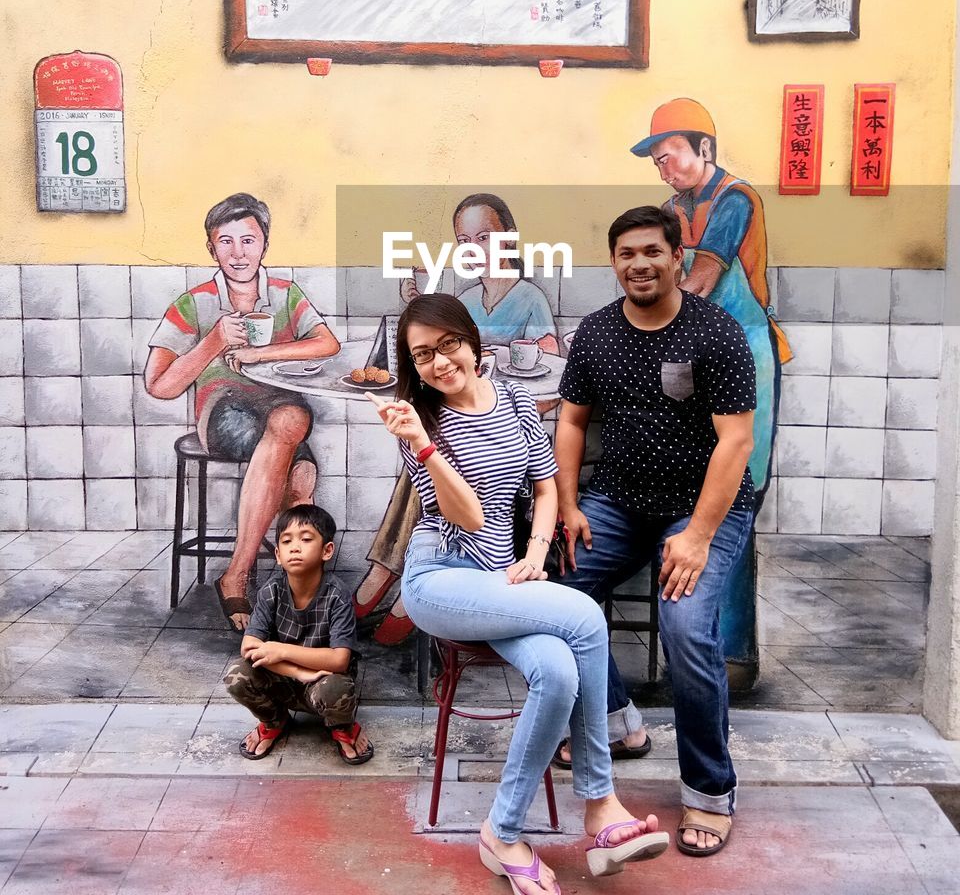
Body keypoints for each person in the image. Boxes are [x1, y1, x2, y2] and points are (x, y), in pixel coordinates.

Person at [368, 293, 668, 891]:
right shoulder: (419, 424)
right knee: (583, 614)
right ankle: (601, 804)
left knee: (558, 671)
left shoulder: (515, 401)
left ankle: (501, 832)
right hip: (442, 578)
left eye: (447, 344)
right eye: (422, 355)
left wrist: (535, 556)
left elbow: (548, 486)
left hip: (503, 576)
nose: (439, 362)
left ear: (471, 341)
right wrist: (424, 448)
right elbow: (472, 516)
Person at [556, 206, 756, 858]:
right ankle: (617, 724)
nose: (638, 264)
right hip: (618, 500)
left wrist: (697, 534)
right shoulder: (596, 334)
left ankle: (709, 792)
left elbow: (736, 442)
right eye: (625, 254)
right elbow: (572, 422)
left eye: (651, 251)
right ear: (613, 263)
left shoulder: (715, 334)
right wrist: (569, 504)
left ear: (676, 257)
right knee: (559, 593)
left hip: (704, 507)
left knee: (688, 628)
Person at [630, 99, 791, 678]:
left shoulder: (736, 200)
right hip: (691, 356)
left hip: (745, 355)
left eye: (668, 154)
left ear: (703, 148)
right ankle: (694, 651)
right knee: (692, 493)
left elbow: (699, 280)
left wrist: (637, 331)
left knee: (735, 499)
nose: (663, 167)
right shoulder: (672, 209)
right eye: (655, 160)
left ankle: (733, 655)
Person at [355, 192, 559, 645]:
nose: (475, 248)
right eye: (465, 240)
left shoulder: (530, 298)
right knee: (428, 451)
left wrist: (492, 401)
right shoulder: (463, 297)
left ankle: (388, 577)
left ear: (509, 238)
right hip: (462, 438)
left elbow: (548, 381)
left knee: (430, 458)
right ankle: (400, 579)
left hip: (508, 445)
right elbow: (439, 371)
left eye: (484, 236)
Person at [145, 193, 341, 632]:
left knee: (291, 419)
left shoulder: (285, 294)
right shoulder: (193, 303)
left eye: (248, 240)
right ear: (211, 248)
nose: (238, 253)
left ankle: (249, 576)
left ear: (265, 244)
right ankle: (284, 585)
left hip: (278, 400)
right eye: (226, 241)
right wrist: (214, 341)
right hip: (220, 406)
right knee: (300, 476)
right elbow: (159, 385)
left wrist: (260, 353)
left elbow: (327, 344)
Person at [224, 504, 372, 764]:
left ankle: (342, 727)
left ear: (327, 550)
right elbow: (249, 647)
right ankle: (275, 720)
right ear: (278, 555)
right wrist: (298, 672)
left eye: (305, 539)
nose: (295, 547)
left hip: (322, 683)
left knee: (337, 687)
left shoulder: (337, 596)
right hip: (283, 679)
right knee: (237, 674)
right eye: (287, 541)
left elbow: (339, 660)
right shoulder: (271, 592)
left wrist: (280, 650)